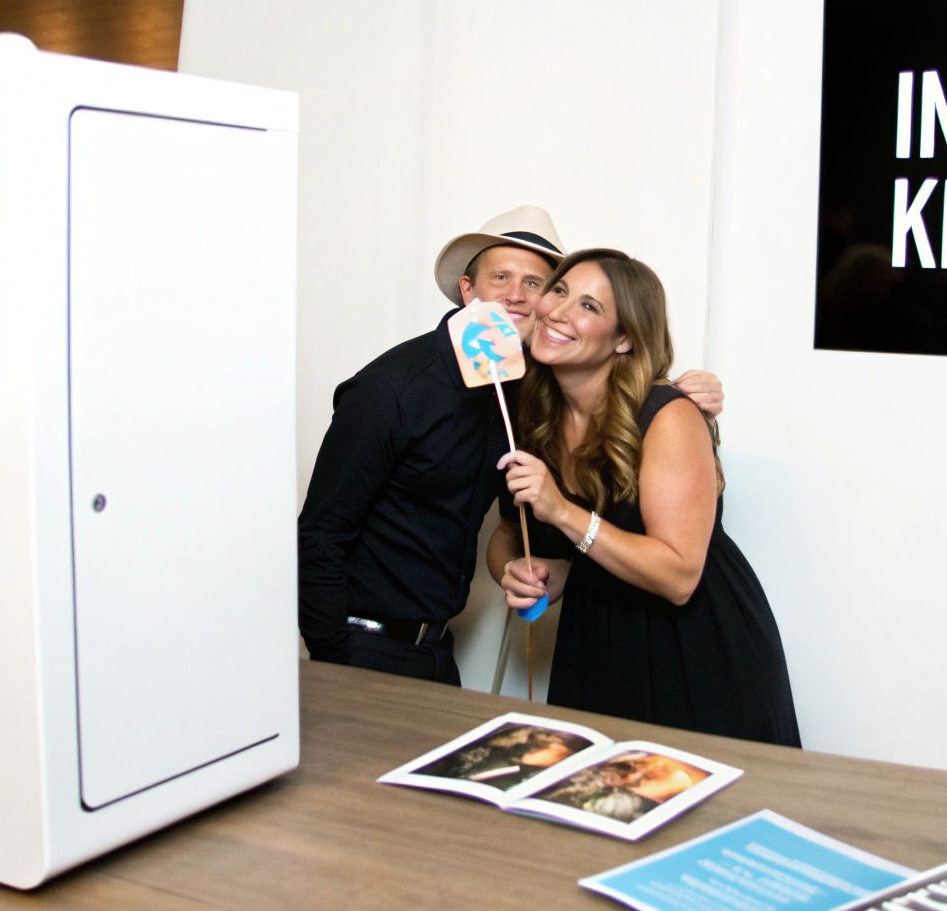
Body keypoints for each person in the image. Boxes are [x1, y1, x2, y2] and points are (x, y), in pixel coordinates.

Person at [297, 206, 723, 685]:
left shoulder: (526, 393)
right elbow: (319, 534)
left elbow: (511, 526)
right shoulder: (392, 388)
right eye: (500, 276)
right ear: (467, 290)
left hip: (436, 651)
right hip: (362, 648)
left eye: (538, 283)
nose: (516, 296)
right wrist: (333, 660)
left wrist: (685, 392)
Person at [491, 249, 800, 746]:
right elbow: (511, 534)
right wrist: (521, 573)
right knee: (591, 805)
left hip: (692, 646)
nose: (560, 311)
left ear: (625, 338)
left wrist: (564, 513)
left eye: (590, 307)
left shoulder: (667, 415)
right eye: (561, 291)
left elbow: (678, 576)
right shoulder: (531, 414)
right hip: (595, 641)